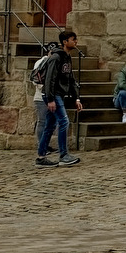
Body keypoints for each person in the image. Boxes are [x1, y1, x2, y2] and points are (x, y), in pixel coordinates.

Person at [36, 31, 82, 168]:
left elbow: (71, 79)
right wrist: (50, 99)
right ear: (65, 42)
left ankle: (41, 157)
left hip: (59, 94)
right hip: (53, 95)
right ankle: (64, 155)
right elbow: (50, 78)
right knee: (64, 121)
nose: (76, 42)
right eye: (73, 39)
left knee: (50, 126)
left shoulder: (67, 58)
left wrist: (77, 98)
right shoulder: (56, 57)